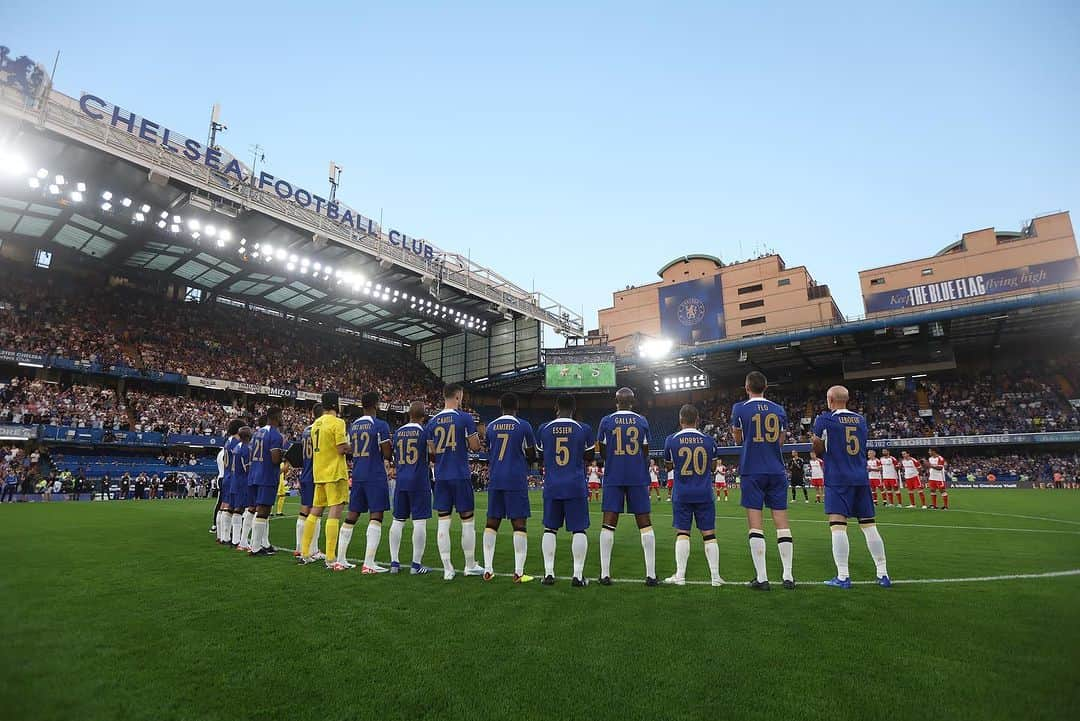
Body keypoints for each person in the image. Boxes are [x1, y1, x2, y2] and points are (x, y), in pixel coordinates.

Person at [812, 385, 891, 588]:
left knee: (838, 525)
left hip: (838, 477)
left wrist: (823, 452)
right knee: (869, 525)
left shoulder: (824, 419)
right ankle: (883, 574)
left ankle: (843, 576)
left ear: (830, 399)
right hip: (860, 476)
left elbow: (816, 445)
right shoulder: (861, 419)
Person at [730, 371, 795, 591]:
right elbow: (781, 441)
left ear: (747, 387)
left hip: (752, 469)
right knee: (782, 523)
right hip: (776, 469)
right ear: (765, 387)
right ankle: (788, 576)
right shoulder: (779, 410)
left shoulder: (739, 408)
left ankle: (762, 577)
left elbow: (738, 438)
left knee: (755, 524)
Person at [596, 387, 656, 586]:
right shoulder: (642, 421)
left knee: (608, 522)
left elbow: (602, 452)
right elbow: (645, 450)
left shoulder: (606, 421)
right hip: (637, 476)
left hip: (614, 476)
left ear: (616, 401)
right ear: (633, 402)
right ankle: (651, 575)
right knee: (645, 523)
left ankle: (605, 574)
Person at [426, 382, 485, 580]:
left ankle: (447, 569)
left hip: (441, 476)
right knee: (467, 521)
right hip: (460, 474)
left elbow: (431, 450)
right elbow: (475, 446)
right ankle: (470, 565)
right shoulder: (465, 418)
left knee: (443, 521)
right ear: (458, 396)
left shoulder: (432, 422)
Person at [536, 393, 594, 587]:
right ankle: (577, 576)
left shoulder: (543, 428)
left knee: (549, 529)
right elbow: (590, 455)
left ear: (556, 407)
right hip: (575, 484)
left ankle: (548, 573)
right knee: (579, 529)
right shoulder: (583, 428)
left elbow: (541, 454)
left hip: (552, 484)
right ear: (574, 409)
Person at [662, 405, 723, 586]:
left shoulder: (671, 440)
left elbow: (668, 466)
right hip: (704, 491)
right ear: (697, 420)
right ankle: (715, 577)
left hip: (682, 492)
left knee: (682, 533)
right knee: (709, 534)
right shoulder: (709, 440)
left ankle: (680, 576)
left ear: (680, 420)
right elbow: (712, 468)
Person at [335, 392, 393, 573]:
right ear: (376, 404)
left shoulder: (353, 426)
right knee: (376, 516)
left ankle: (340, 560)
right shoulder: (380, 425)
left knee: (352, 515)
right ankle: (369, 563)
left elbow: (351, 449)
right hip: (374, 474)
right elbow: (386, 452)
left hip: (358, 474)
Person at [482, 392, 537, 582]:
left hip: (496, 477)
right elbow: (532, 454)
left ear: (500, 406)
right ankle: (518, 573)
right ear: (517, 407)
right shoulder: (524, 425)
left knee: (492, 522)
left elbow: (489, 448)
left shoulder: (490, 426)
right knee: (519, 524)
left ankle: (488, 569)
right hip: (515, 479)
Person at [298, 393, 350, 567]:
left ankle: (305, 552)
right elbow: (341, 448)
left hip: (318, 473)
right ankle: (330, 557)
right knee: (335, 511)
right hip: (334, 472)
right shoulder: (338, 422)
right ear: (336, 405)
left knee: (315, 511)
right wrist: (357, 447)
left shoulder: (315, 425)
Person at [388, 401, 433, 575]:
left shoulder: (398, 432)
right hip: (419, 480)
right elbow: (433, 452)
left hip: (401, 480)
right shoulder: (425, 431)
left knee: (397, 521)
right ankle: (416, 565)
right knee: (419, 522)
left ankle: (394, 562)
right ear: (424, 416)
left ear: (408, 414)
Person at [286, 404, 323, 560]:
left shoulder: (306, 430)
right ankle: (312, 550)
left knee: (304, 511)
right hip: (317, 475)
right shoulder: (321, 429)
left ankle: (299, 547)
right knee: (316, 513)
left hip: (306, 473)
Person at [247, 408, 285, 556]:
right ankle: (256, 548)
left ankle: (260, 544)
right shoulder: (275, 435)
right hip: (267, 475)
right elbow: (275, 459)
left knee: (259, 509)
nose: (283, 419)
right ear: (275, 417)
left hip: (254, 473)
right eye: (281, 416)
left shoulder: (257, 433)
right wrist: (285, 456)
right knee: (264, 509)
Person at [217, 420, 243, 545]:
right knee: (232, 507)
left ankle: (222, 536)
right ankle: (229, 537)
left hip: (226, 476)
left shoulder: (228, 441)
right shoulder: (236, 443)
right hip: (233, 477)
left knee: (224, 506)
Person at [230, 426, 253, 550]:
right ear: (249, 436)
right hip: (243, 482)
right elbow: (248, 469)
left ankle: (236, 540)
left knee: (237, 509)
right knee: (244, 509)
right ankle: (242, 542)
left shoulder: (236, 447)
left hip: (235, 480)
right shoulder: (245, 449)